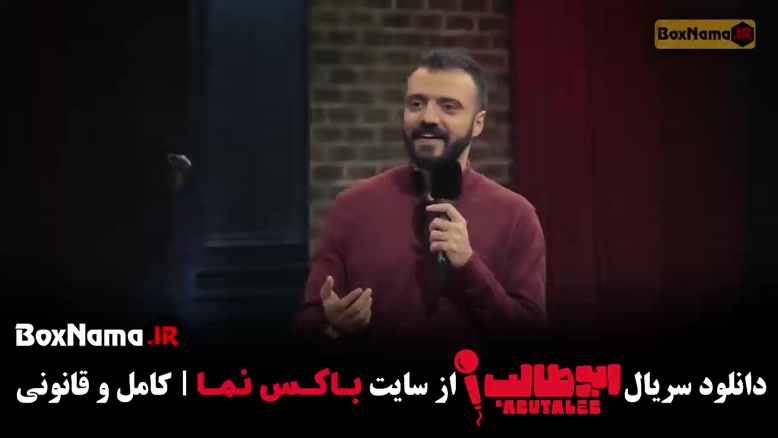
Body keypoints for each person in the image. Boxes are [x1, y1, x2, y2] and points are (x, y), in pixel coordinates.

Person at [294, 49, 547, 350]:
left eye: (448, 106)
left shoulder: (516, 216)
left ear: (478, 123)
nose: (428, 117)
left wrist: (469, 267)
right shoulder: (352, 207)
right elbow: (308, 321)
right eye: (417, 104)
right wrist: (329, 323)